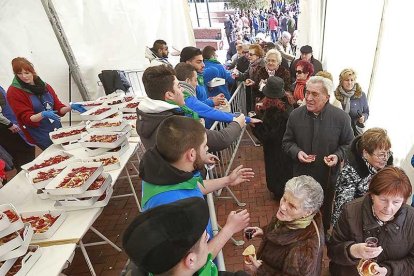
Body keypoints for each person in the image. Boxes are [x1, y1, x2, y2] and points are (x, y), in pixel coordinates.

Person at [139, 116, 253, 263]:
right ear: (191, 154)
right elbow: (194, 261)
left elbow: (191, 187)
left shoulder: (162, 171)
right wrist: (229, 229)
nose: (207, 149)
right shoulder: (179, 210)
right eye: (205, 146)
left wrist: (227, 180)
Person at [282, 76, 354, 232]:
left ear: (327, 97)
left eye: (315, 94)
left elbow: (349, 144)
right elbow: (287, 142)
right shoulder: (295, 115)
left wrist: (337, 156)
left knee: (324, 212)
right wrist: (297, 152)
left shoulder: (341, 118)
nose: (308, 98)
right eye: (307, 93)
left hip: (327, 177)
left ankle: (321, 235)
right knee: (298, 210)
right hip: (300, 177)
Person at [122, 197, 250, 276]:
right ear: (190, 260)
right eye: (205, 239)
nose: (207, 238)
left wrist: (229, 229)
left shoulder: (146, 263)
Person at [136, 65, 245, 152]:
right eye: (178, 86)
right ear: (169, 95)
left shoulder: (145, 116)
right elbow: (222, 139)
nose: (183, 90)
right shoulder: (177, 125)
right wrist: (237, 123)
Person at [328, 166, 414, 276]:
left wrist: (388, 270)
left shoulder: (411, 218)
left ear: (404, 201)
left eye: (396, 202)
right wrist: (353, 251)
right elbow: (332, 251)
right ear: (372, 195)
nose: (388, 208)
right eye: (383, 200)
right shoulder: (351, 211)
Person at [244, 175, 325, 275]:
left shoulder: (303, 249)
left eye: (292, 205)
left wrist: (261, 270)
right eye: (284, 198)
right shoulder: (292, 217)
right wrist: (263, 231)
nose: (282, 206)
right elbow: (281, 231)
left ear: (307, 212)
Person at [6, 57, 86, 150]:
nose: (24, 76)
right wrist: (43, 114)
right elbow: (26, 118)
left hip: (56, 128)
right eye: (19, 73)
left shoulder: (44, 86)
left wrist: (70, 107)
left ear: (32, 71)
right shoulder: (14, 92)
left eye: (26, 73)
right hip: (39, 133)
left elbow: (58, 108)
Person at [331, 128, 393, 226]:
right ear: (365, 153)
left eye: (387, 152)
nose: (385, 158)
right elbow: (343, 209)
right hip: (356, 222)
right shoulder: (350, 172)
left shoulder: (386, 165)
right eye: (381, 155)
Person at [174, 62, 258, 129]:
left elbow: (199, 106)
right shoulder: (186, 98)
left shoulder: (180, 95)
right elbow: (209, 111)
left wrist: (211, 101)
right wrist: (246, 119)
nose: (197, 84)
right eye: (195, 80)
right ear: (188, 81)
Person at [251, 77, 293, 198]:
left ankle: (279, 191)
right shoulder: (288, 103)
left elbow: (266, 135)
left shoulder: (274, 112)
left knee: (276, 170)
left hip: (274, 148)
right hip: (286, 146)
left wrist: (255, 125)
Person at [0, 85, 35, 172]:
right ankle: (28, 176)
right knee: (25, 151)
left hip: (8, 124)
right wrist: (10, 124)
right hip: (6, 126)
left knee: (17, 155)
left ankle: (24, 176)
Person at [334, 68, 369, 136]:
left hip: (354, 132)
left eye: (352, 80)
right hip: (337, 131)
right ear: (341, 81)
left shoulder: (361, 95)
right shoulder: (335, 95)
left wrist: (363, 118)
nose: (349, 83)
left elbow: (366, 112)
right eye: (347, 80)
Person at [234, 44, 266, 112]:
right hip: (254, 96)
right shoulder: (251, 65)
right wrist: (237, 74)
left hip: (262, 97)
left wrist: (254, 84)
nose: (248, 56)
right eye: (248, 53)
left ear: (258, 55)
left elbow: (264, 85)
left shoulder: (264, 66)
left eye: (251, 54)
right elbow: (245, 75)